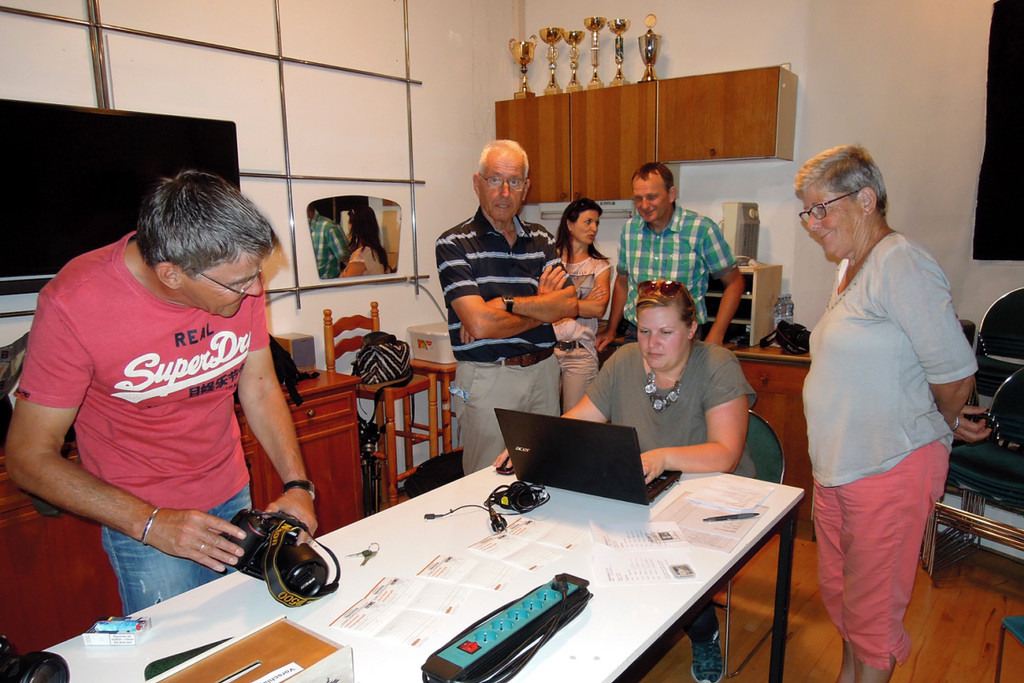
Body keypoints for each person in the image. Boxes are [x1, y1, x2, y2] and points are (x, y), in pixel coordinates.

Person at [5, 170, 318, 615]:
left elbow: (262, 386)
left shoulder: (236, 276)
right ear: (171, 274)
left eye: (256, 276)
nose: (254, 291)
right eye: (239, 283)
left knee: (244, 629)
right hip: (144, 516)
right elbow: (27, 456)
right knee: (178, 648)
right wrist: (150, 523)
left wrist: (297, 484)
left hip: (232, 491)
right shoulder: (75, 303)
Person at [795, 145, 989, 683]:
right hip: (839, 468)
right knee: (845, 599)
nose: (813, 224)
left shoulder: (900, 261)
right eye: (807, 212)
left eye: (821, 209)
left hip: (888, 468)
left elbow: (954, 375)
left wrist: (939, 424)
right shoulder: (848, 268)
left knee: (874, 616)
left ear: (866, 199)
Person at [496, 280, 755, 683]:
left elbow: (726, 453)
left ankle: (703, 632)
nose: (652, 344)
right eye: (645, 331)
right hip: (645, 485)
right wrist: (533, 443)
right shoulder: (626, 360)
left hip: (709, 490)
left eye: (666, 332)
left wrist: (663, 457)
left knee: (677, 568)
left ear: (691, 329)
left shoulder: (718, 364)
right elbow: (583, 417)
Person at [435, 139, 578, 475]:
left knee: (546, 473)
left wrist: (506, 305)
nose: (504, 192)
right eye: (495, 180)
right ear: (477, 183)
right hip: (489, 377)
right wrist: (541, 311)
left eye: (514, 181)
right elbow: (480, 324)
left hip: (544, 373)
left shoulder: (541, 239)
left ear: (525, 188)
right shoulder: (454, 244)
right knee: (486, 479)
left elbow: (569, 303)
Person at [596, 162, 745, 351]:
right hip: (638, 333)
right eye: (638, 198)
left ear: (671, 194)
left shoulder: (701, 229)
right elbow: (622, 282)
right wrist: (611, 328)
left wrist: (717, 333)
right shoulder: (630, 230)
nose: (644, 205)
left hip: (684, 335)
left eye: (652, 197)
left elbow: (735, 283)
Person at [552, 198, 612, 410]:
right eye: (588, 222)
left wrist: (555, 304)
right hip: (547, 354)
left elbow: (598, 308)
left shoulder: (600, 266)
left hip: (580, 353)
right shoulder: (550, 261)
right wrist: (582, 304)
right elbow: (537, 305)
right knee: (544, 420)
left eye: (596, 223)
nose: (594, 228)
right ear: (570, 224)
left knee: (574, 421)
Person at [342, 205, 390, 276]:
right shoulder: (377, 251)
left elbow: (346, 280)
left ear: (354, 226)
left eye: (349, 222)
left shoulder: (361, 254)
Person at [307, 205, 349, 279]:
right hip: (305, 283)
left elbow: (347, 260)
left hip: (327, 284)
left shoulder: (329, 227)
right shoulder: (295, 229)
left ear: (308, 207)